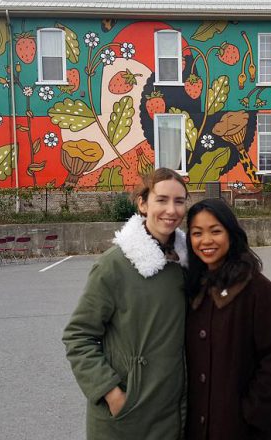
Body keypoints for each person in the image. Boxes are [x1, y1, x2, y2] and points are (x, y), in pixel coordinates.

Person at [62, 168, 189, 440]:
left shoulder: (187, 264)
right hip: (128, 416)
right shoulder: (114, 265)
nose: (171, 209)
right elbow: (78, 336)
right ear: (143, 203)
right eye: (162, 199)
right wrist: (112, 393)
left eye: (179, 201)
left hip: (175, 412)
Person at [185, 198, 271, 440]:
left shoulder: (256, 288)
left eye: (215, 231)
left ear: (231, 234)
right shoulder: (193, 287)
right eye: (197, 233)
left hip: (244, 428)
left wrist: (251, 414)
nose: (206, 241)